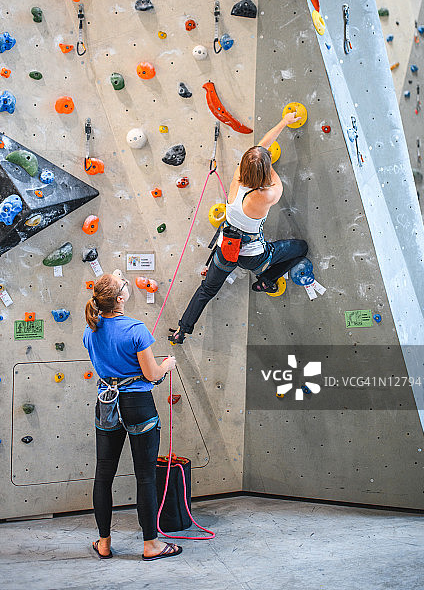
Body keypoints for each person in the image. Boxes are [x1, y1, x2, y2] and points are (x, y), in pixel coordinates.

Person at [169, 112, 308, 345]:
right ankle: (266, 279)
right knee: (300, 248)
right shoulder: (265, 195)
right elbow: (275, 179)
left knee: (207, 290)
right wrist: (267, 163)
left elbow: (262, 146)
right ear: (264, 172)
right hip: (254, 256)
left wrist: (283, 122)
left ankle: (181, 331)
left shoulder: (237, 178)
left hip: (226, 249)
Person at [83, 271, 182, 562]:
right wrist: (167, 365)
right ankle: (150, 545)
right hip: (137, 404)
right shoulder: (136, 329)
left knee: (103, 475)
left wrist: (113, 278)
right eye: (124, 286)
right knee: (145, 477)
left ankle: (103, 542)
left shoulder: (90, 329)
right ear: (122, 298)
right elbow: (151, 375)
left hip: (107, 404)